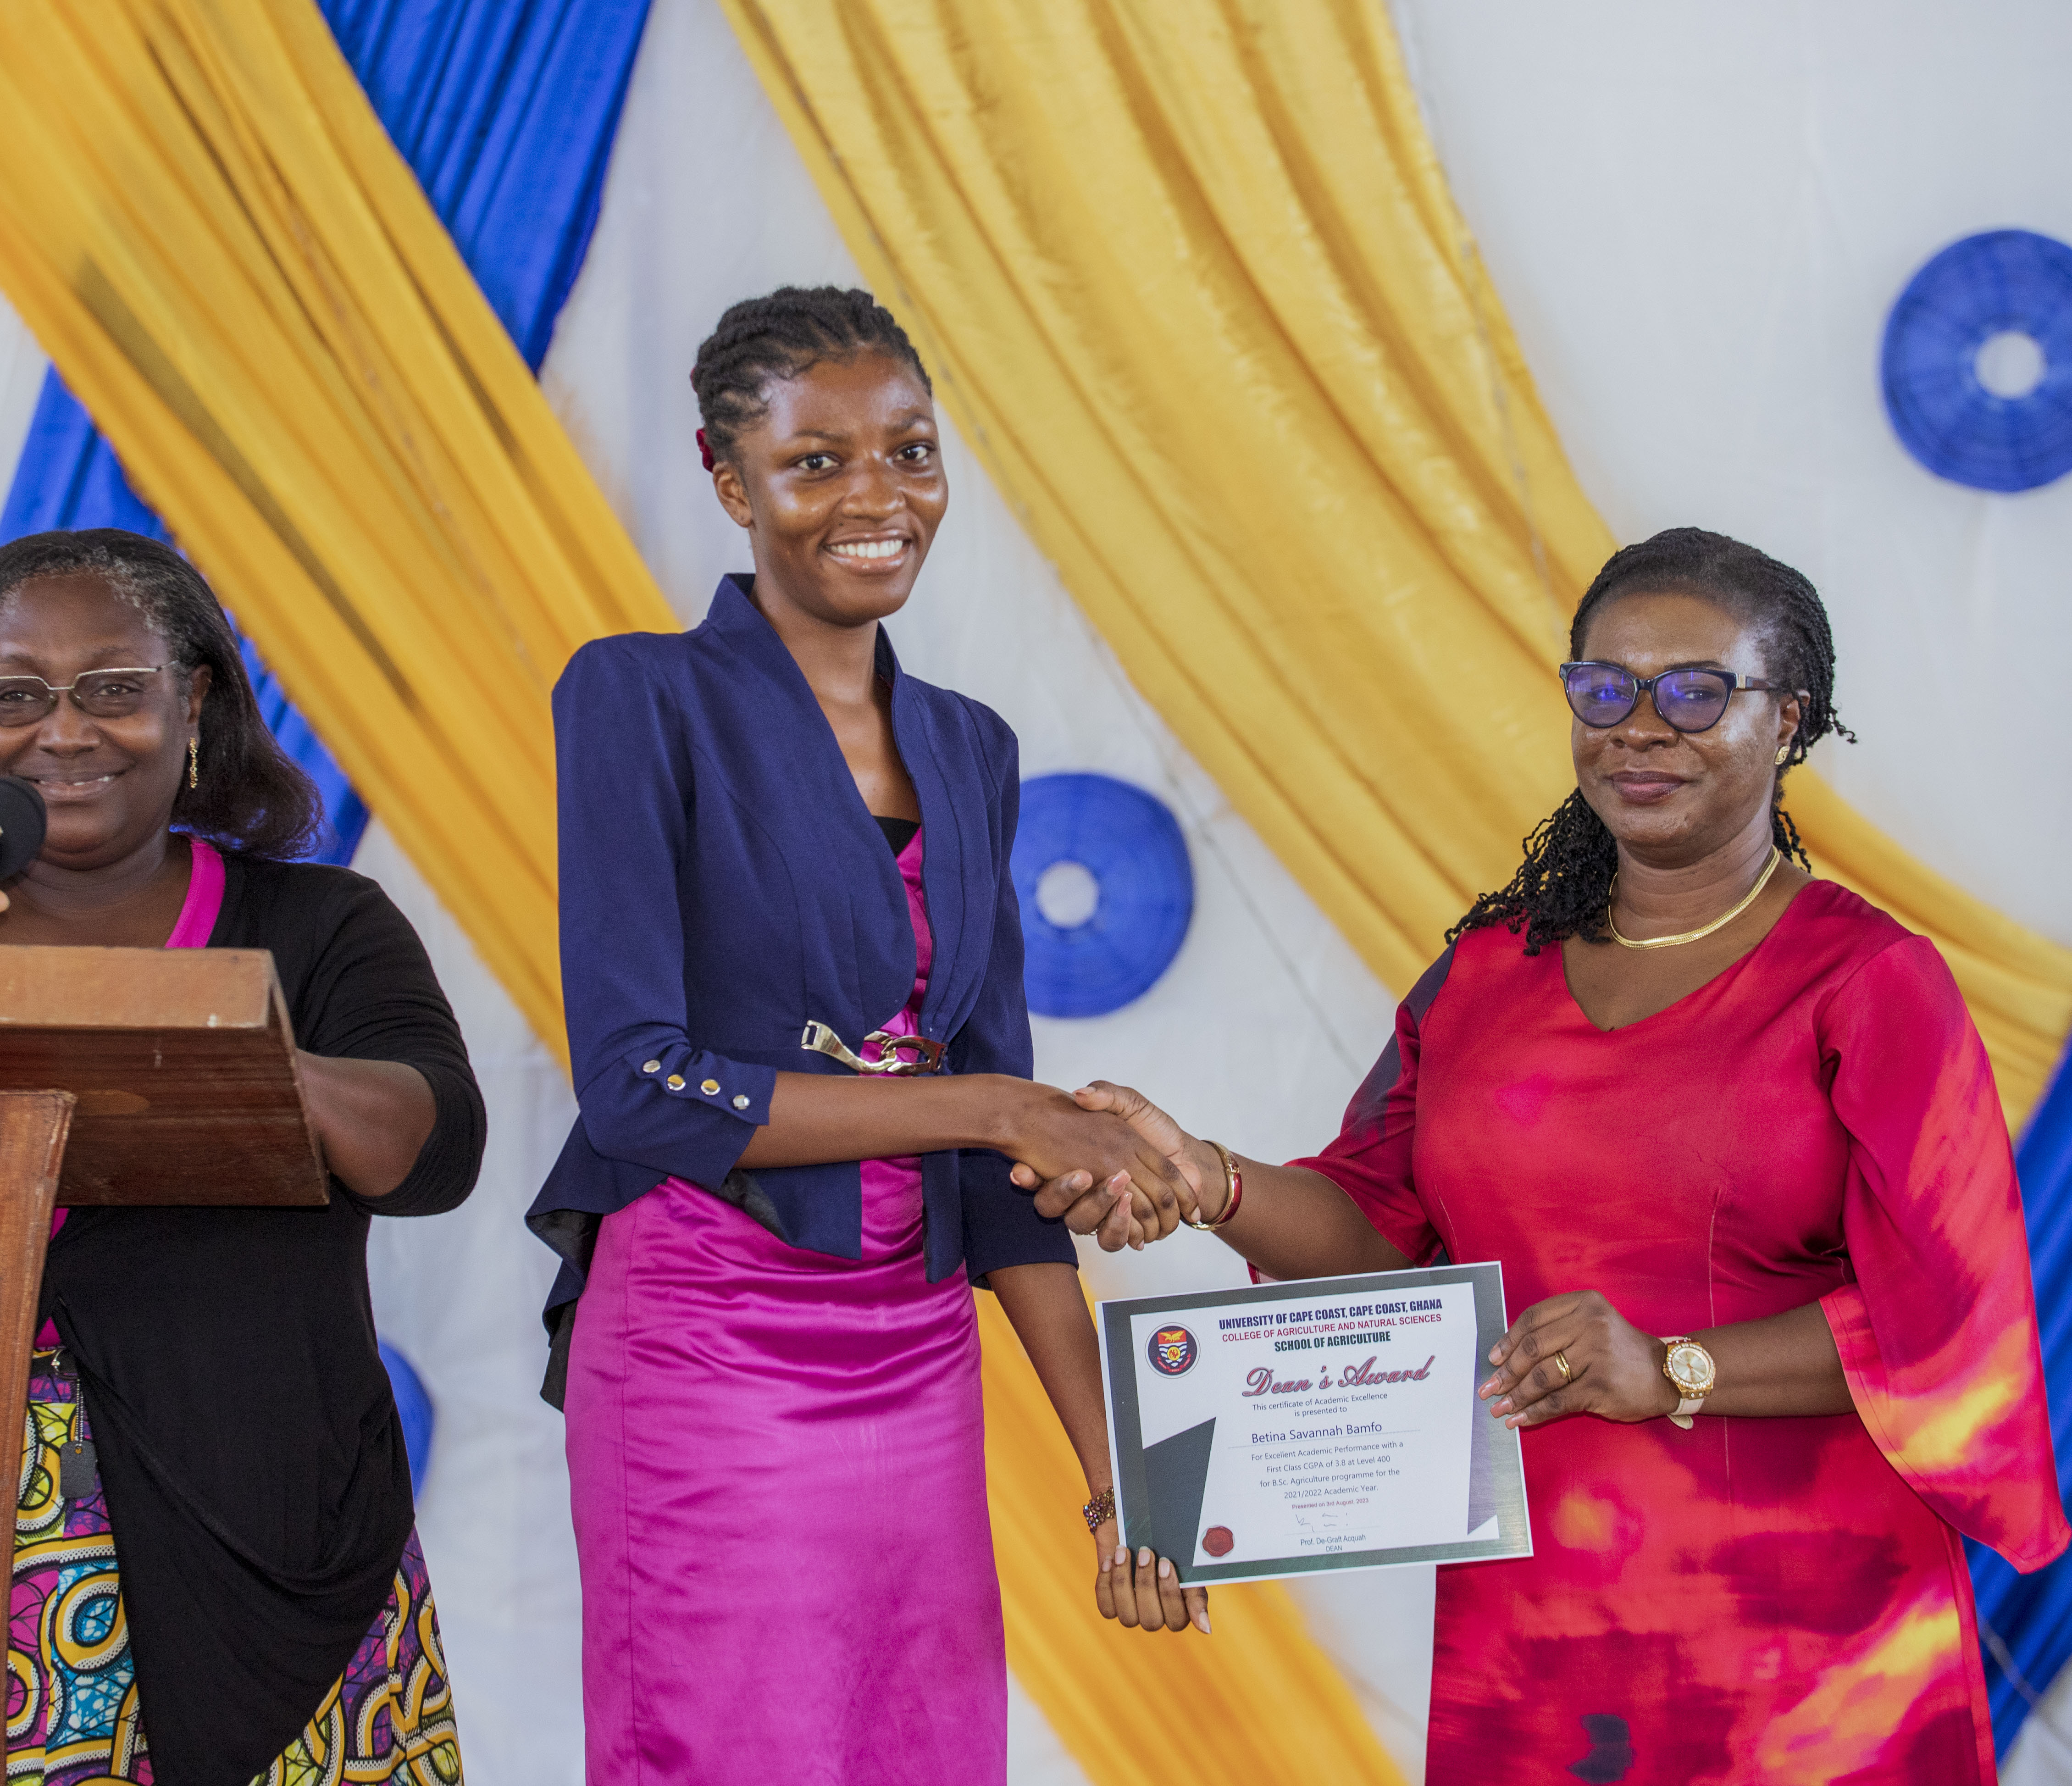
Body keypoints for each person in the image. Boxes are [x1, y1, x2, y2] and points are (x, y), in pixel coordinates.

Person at [1021, 527, 2068, 1783]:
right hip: (1542, 1640)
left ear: (1788, 720)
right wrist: (1212, 1181)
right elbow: (1375, 1236)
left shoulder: (1870, 980)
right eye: (1604, 688)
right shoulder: (1485, 976)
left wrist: (1672, 1367)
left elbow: (1953, 1321)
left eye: (1695, 690)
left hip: (1812, 1653)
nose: (1641, 725)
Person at [527, 286, 1204, 1786]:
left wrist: (1122, 1480)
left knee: (922, 1751)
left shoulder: (969, 745)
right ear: (727, 480)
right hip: (710, 1335)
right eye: (815, 461)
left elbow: (1003, 1161)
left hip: (914, 1348)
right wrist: (1000, 1112)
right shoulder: (640, 696)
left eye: (910, 451)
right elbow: (640, 1089)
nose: (877, 498)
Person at [0, 529, 483, 1785]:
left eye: (114, 687)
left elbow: (433, 1150)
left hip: (279, 1538)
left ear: (195, 698)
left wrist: (231, 1055)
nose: (65, 731)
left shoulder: (316, 927)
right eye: (16, 695)